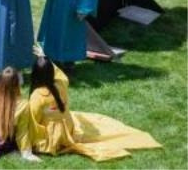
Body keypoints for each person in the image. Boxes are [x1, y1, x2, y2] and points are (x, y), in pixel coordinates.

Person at [18, 52, 162, 161]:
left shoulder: (38, 96)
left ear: (35, 75)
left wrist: (25, 146)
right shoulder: (61, 84)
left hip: (52, 138)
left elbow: (32, 121)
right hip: (67, 128)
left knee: (21, 122)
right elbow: (60, 75)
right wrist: (45, 59)